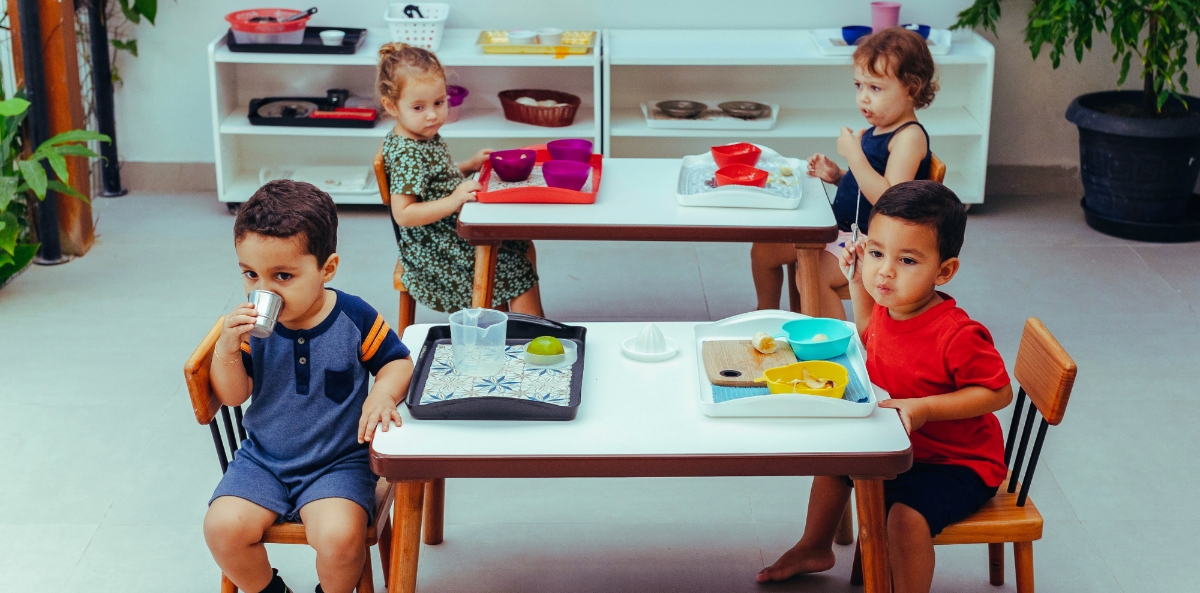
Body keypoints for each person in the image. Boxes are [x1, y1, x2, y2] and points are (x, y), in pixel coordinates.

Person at [758, 181, 1014, 593]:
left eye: (907, 260)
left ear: (944, 271)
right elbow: (868, 331)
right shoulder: (892, 307)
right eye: (876, 253)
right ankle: (814, 547)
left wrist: (925, 408)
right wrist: (857, 282)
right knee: (833, 461)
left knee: (904, 518)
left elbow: (999, 393)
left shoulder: (957, 334)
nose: (886, 270)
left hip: (956, 464)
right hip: (900, 446)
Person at [203, 180, 414, 593]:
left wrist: (382, 393)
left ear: (326, 269)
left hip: (337, 464)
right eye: (250, 274)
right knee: (221, 528)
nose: (264, 290)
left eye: (283, 275)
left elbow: (397, 361)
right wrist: (226, 349)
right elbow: (232, 396)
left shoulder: (353, 317)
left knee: (339, 539)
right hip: (263, 459)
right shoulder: (253, 329)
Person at [751, 27, 938, 318]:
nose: (863, 98)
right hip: (841, 228)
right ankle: (766, 315)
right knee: (763, 250)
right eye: (858, 86)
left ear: (911, 88)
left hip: (868, 242)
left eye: (875, 88)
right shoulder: (880, 126)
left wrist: (854, 154)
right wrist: (838, 174)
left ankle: (832, 345)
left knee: (811, 276)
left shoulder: (908, 137)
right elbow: (865, 184)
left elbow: (890, 199)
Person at [377, 42, 543, 314]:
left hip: (448, 235)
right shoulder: (408, 153)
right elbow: (404, 213)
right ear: (391, 106)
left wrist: (469, 165)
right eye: (418, 107)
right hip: (437, 253)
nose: (433, 114)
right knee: (514, 265)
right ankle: (532, 336)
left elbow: (433, 179)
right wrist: (454, 200)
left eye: (439, 102)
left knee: (521, 245)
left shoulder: (419, 135)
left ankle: (503, 320)